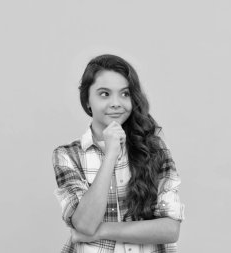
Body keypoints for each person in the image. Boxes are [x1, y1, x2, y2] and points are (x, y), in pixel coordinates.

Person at [52, 54, 185, 253]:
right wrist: (111, 154)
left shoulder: (155, 150)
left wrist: (100, 232)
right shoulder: (67, 156)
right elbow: (85, 224)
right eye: (104, 94)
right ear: (87, 101)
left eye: (124, 94)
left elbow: (170, 229)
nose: (116, 103)